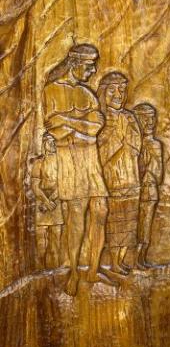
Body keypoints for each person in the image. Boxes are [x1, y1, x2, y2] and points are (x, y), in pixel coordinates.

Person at [43, 43, 112, 296]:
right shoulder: (52, 90)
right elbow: (53, 127)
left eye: (94, 65)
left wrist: (69, 122)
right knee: (76, 217)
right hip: (69, 160)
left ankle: (93, 269)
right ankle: (73, 271)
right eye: (89, 65)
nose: (93, 70)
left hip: (90, 160)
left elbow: (95, 127)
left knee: (101, 211)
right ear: (74, 63)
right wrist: (78, 125)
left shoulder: (88, 94)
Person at [98, 72, 141, 275]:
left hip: (131, 176)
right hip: (112, 180)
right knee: (115, 223)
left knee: (130, 222)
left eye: (122, 90)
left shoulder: (129, 117)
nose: (118, 94)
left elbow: (136, 147)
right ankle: (113, 262)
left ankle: (123, 259)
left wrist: (128, 136)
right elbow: (100, 151)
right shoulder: (100, 118)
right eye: (112, 90)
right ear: (103, 92)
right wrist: (118, 136)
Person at [133, 103, 164, 269]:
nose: (150, 122)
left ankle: (141, 258)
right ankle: (130, 259)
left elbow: (159, 175)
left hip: (149, 192)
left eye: (152, 117)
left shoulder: (155, 145)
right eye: (145, 118)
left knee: (145, 225)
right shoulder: (132, 144)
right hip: (133, 191)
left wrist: (149, 165)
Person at [30, 133, 63, 270]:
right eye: (50, 142)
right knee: (41, 237)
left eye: (54, 142)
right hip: (41, 203)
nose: (53, 145)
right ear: (44, 144)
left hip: (56, 201)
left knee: (56, 236)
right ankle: (40, 266)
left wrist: (53, 199)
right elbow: (35, 186)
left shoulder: (61, 162)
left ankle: (55, 267)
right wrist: (46, 201)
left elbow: (63, 183)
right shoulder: (38, 163)